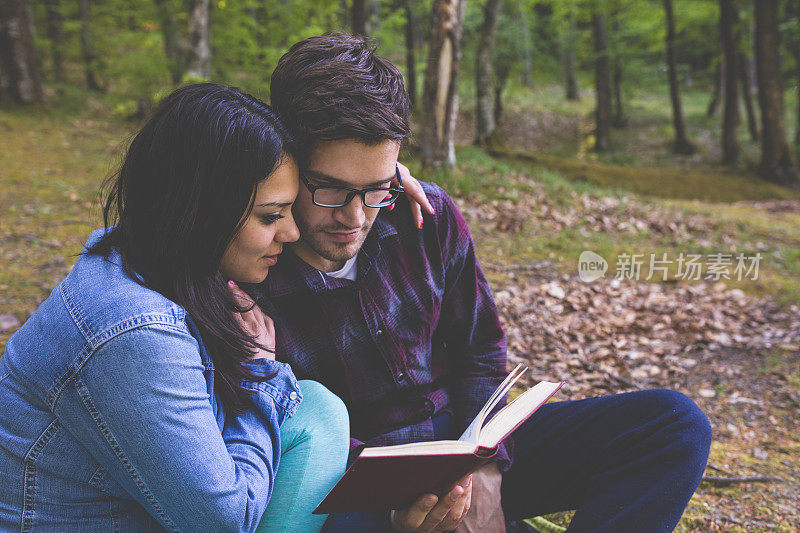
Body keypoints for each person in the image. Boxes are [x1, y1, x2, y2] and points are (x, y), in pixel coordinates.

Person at [249, 32, 713, 533]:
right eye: (332, 189)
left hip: (461, 448)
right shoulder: (247, 262)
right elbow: (282, 428)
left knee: (673, 425)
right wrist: (403, 503)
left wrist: (487, 467)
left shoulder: (425, 217)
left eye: (377, 189)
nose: (355, 217)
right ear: (287, 156)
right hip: (351, 489)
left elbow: (481, 347)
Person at [0, 82, 353, 532]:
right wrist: (261, 373)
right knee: (314, 418)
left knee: (317, 412)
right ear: (203, 211)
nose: (291, 232)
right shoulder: (134, 334)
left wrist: (384, 181)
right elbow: (224, 522)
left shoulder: (148, 262)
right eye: (270, 216)